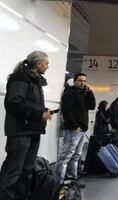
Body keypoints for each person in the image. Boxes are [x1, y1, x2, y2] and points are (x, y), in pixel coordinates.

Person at [0, 51, 53, 200]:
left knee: (26, 169)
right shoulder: (20, 78)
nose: (48, 66)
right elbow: (13, 104)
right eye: (47, 63)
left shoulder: (34, 80)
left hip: (32, 130)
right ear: (39, 64)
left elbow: (30, 104)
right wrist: (39, 113)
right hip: (20, 131)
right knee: (13, 170)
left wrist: (43, 111)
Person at [55, 73, 96, 185]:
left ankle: (71, 178)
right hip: (74, 129)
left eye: (84, 81)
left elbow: (92, 106)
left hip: (82, 129)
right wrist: (74, 126)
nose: (82, 83)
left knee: (76, 155)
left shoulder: (84, 94)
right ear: (75, 81)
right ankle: (59, 181)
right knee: (66, 155)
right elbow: (67, 111)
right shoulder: (70, 93)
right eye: (80, 80)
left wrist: (90, 92)